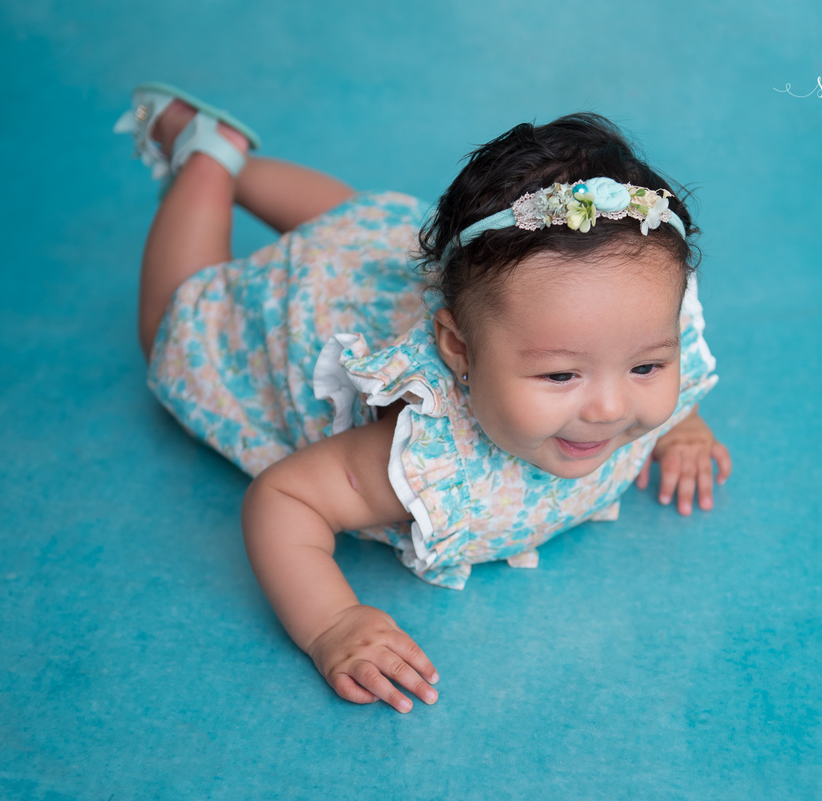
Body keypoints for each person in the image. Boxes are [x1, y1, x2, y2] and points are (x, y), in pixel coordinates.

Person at [115, 83, 733, 714]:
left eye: (646, 367)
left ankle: (240, 166)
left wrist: (681, 424)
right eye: (560, 376)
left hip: (375, 252)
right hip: (299, 315)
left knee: (359, 223)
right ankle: (209, 159)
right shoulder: (422, 453)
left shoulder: (630, 336)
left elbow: (649, 363)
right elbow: (284, 497)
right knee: (173, 325)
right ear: (458, 349)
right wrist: (332, 622)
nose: (611, 409)